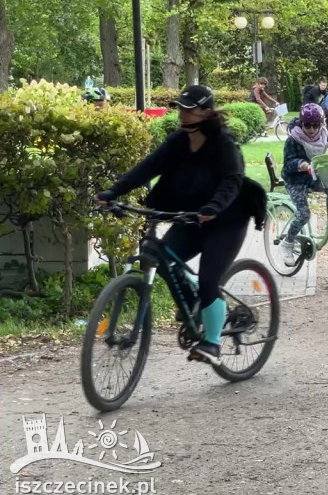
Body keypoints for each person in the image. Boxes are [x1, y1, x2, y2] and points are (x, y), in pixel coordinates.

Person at [95, 85, 258, 365]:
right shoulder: (177, 142)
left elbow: (233, 180)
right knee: (164, 257)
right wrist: (113, 192)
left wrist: (213, 208)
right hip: (191, 218)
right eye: (181, 108)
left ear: (206, 112)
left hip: (226, 221)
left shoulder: (223, 144)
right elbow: (146, 168)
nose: (183, 114)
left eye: (190, 108)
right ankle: (195, 303)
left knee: (208, 281)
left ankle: (213, 342)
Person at [278, 104, 328, 266]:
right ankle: (287, 243)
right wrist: (301, 163)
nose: (312, 130)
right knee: (304, 214)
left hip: (312, 177)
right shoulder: (293, 139)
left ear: (321, 124)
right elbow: (287, 164)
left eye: (315, 125)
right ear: (301, 123)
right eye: (307, 125)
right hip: (295, 180)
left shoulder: (323, 135)